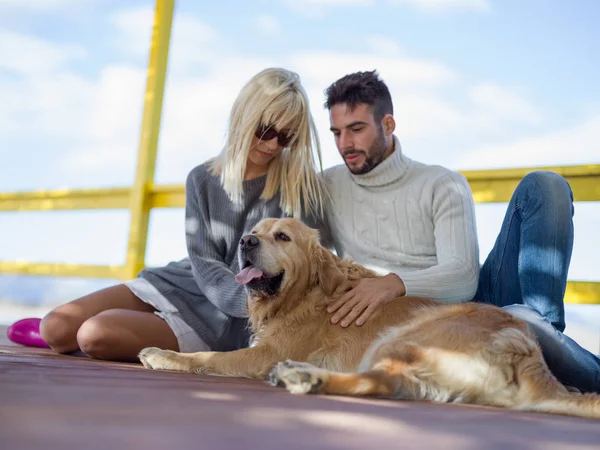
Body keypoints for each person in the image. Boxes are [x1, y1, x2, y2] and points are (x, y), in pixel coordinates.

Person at [320, 70, 600, 393]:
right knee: (523, 321)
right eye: (336, 133)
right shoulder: (327, 186)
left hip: (468, 307)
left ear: (387, 125)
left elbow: (463, 277)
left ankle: (546, 345)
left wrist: (392, 283)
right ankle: (547, 352)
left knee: (545, 186)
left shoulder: (441, 183)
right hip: (413, 329)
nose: (345, 144)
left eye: (356, 129)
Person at [39, 67, 328, 362]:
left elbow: (306, 272)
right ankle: (125, 329)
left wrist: (258, 312)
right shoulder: (201, 178)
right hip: (187, 282)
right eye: (265, 131)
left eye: (286, 137)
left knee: (95, 334)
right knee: (55, 328)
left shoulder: (300, 189)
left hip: (227, 321)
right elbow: (204, 263)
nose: (272, 145)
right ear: (244, 116)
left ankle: (131, 334)